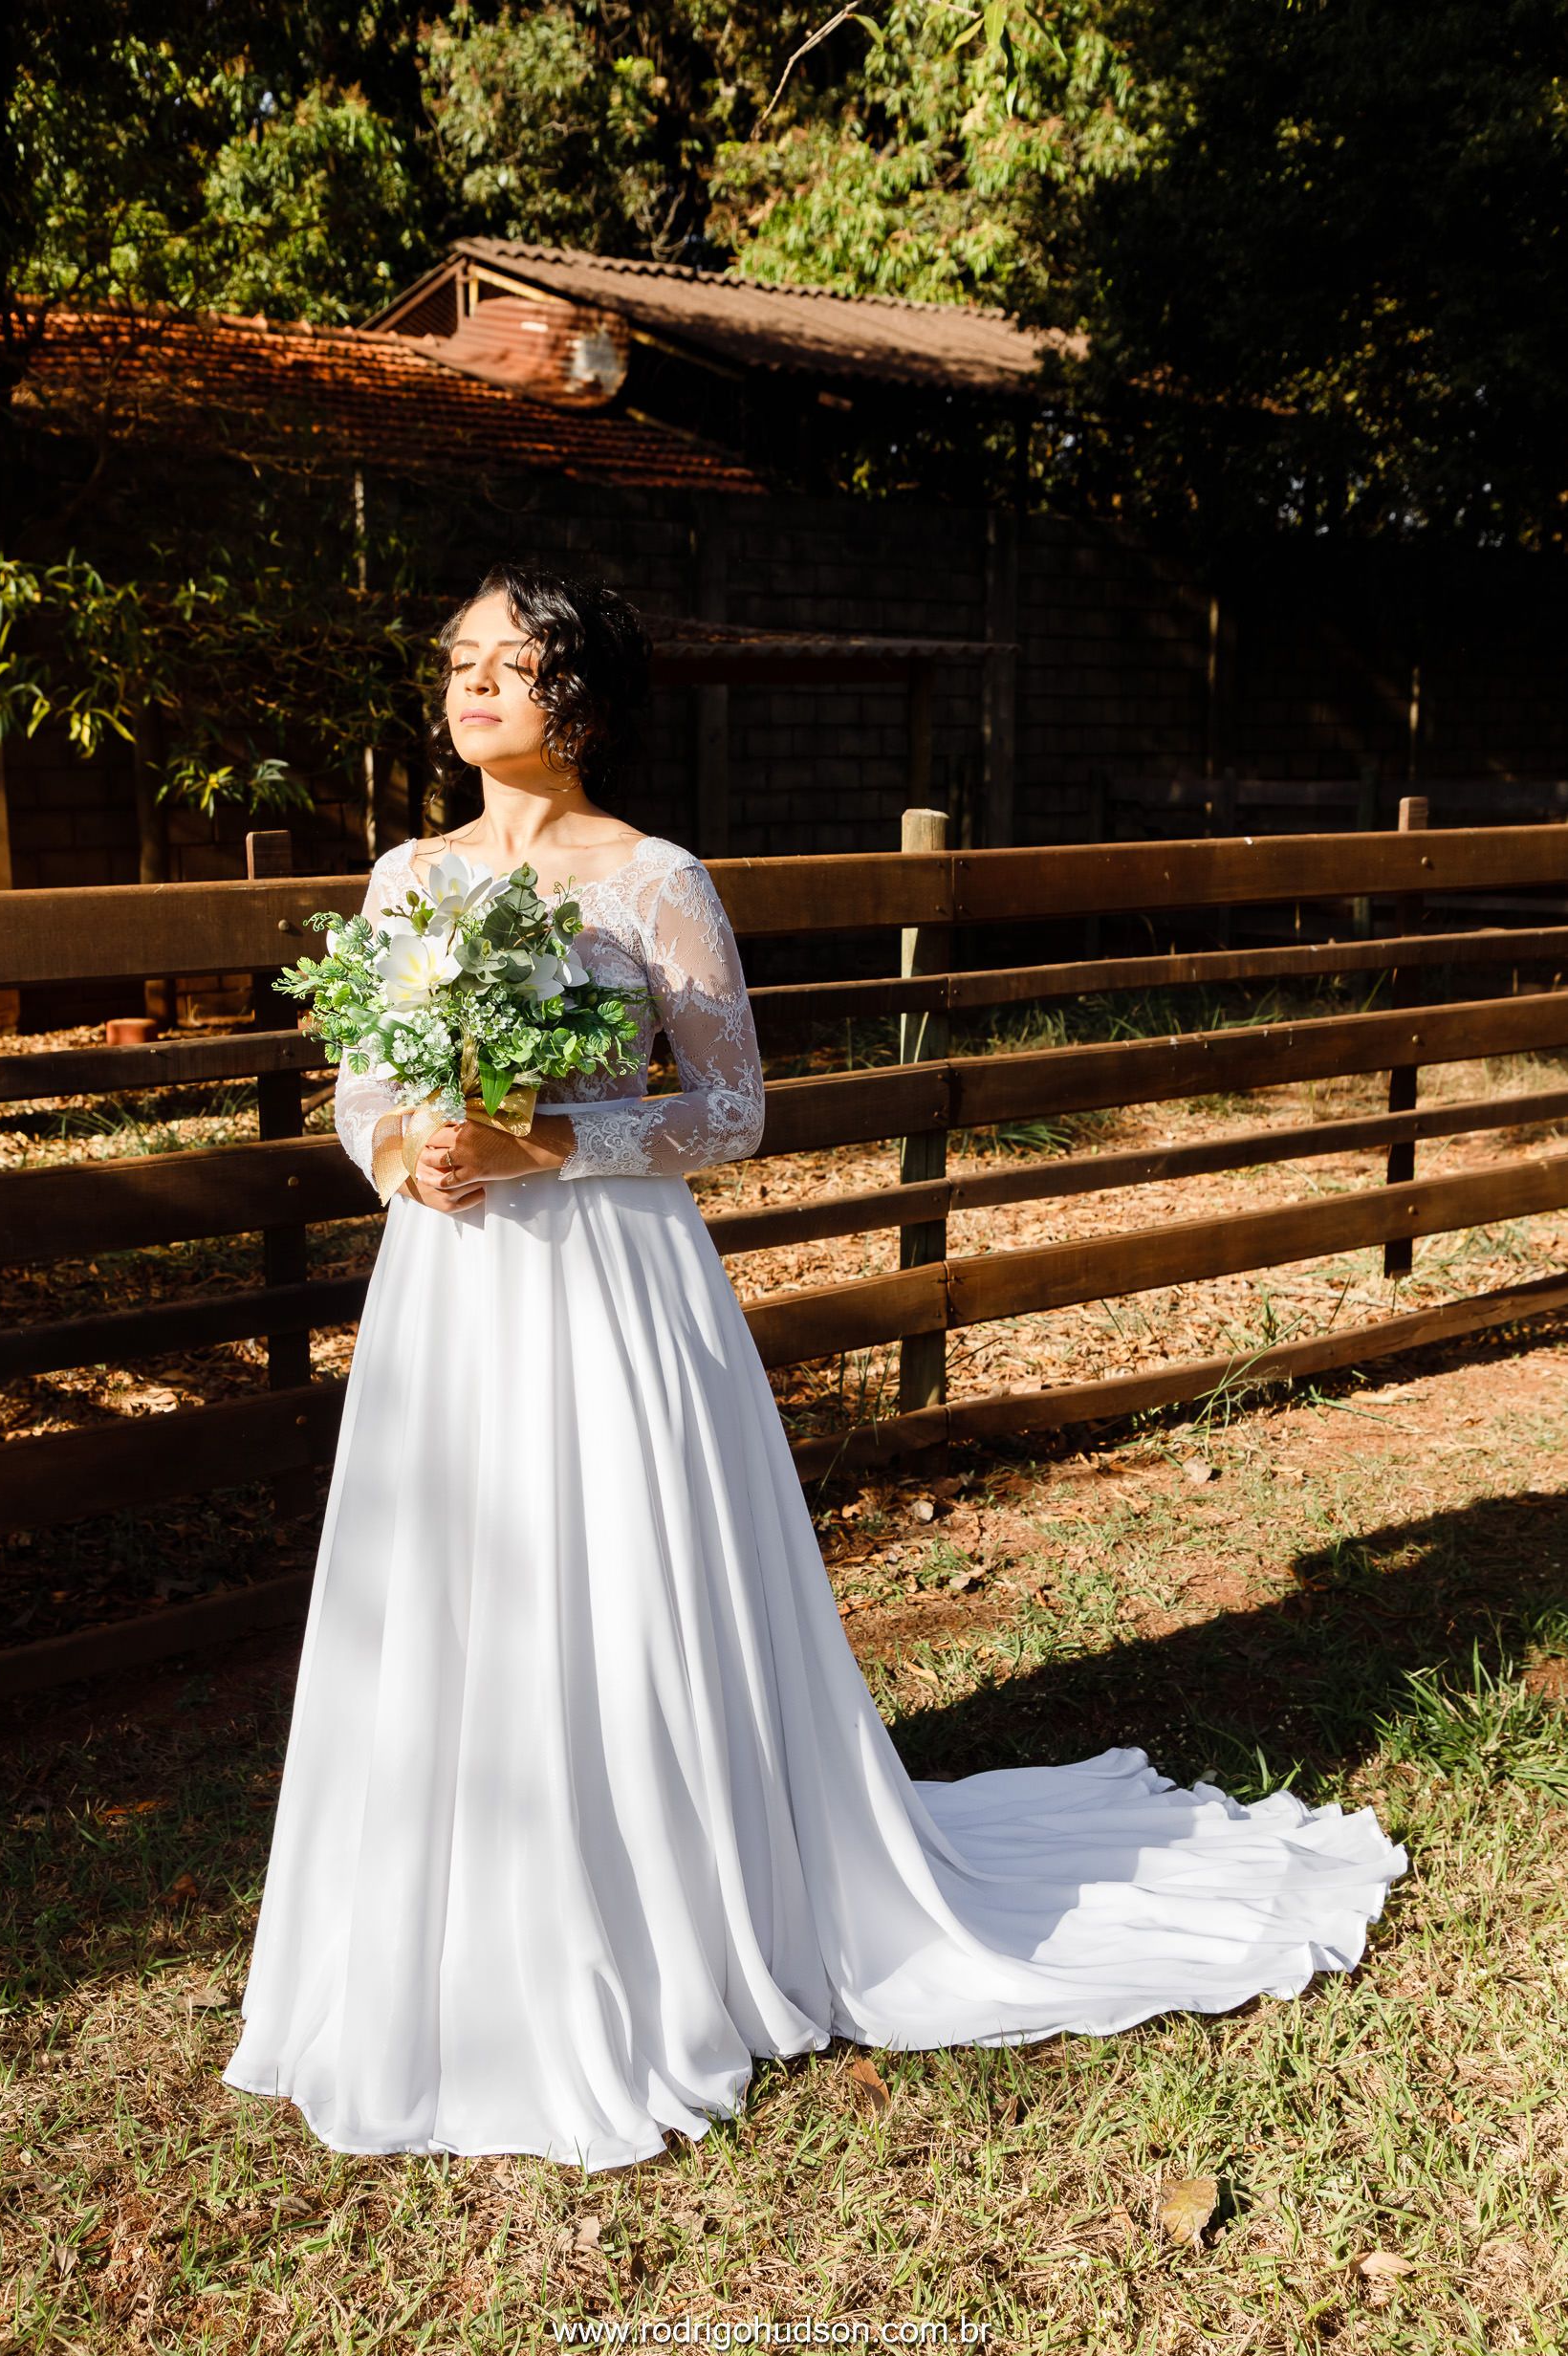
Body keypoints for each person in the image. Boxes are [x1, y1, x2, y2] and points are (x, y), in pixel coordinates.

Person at [222, 562, 1405, 2171]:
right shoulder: (404, 876)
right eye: (459, 659)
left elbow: (730, 1111)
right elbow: (363, 1082)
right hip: (453, 1286)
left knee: (624, 1578)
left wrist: (552, 1137)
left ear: (582, 695)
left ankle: (676, 1914)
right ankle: (449, 1928)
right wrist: (405, 1156)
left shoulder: (654, 879)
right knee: (454, 1580)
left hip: (614, 1283)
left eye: (511, 660)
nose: (473, 683)